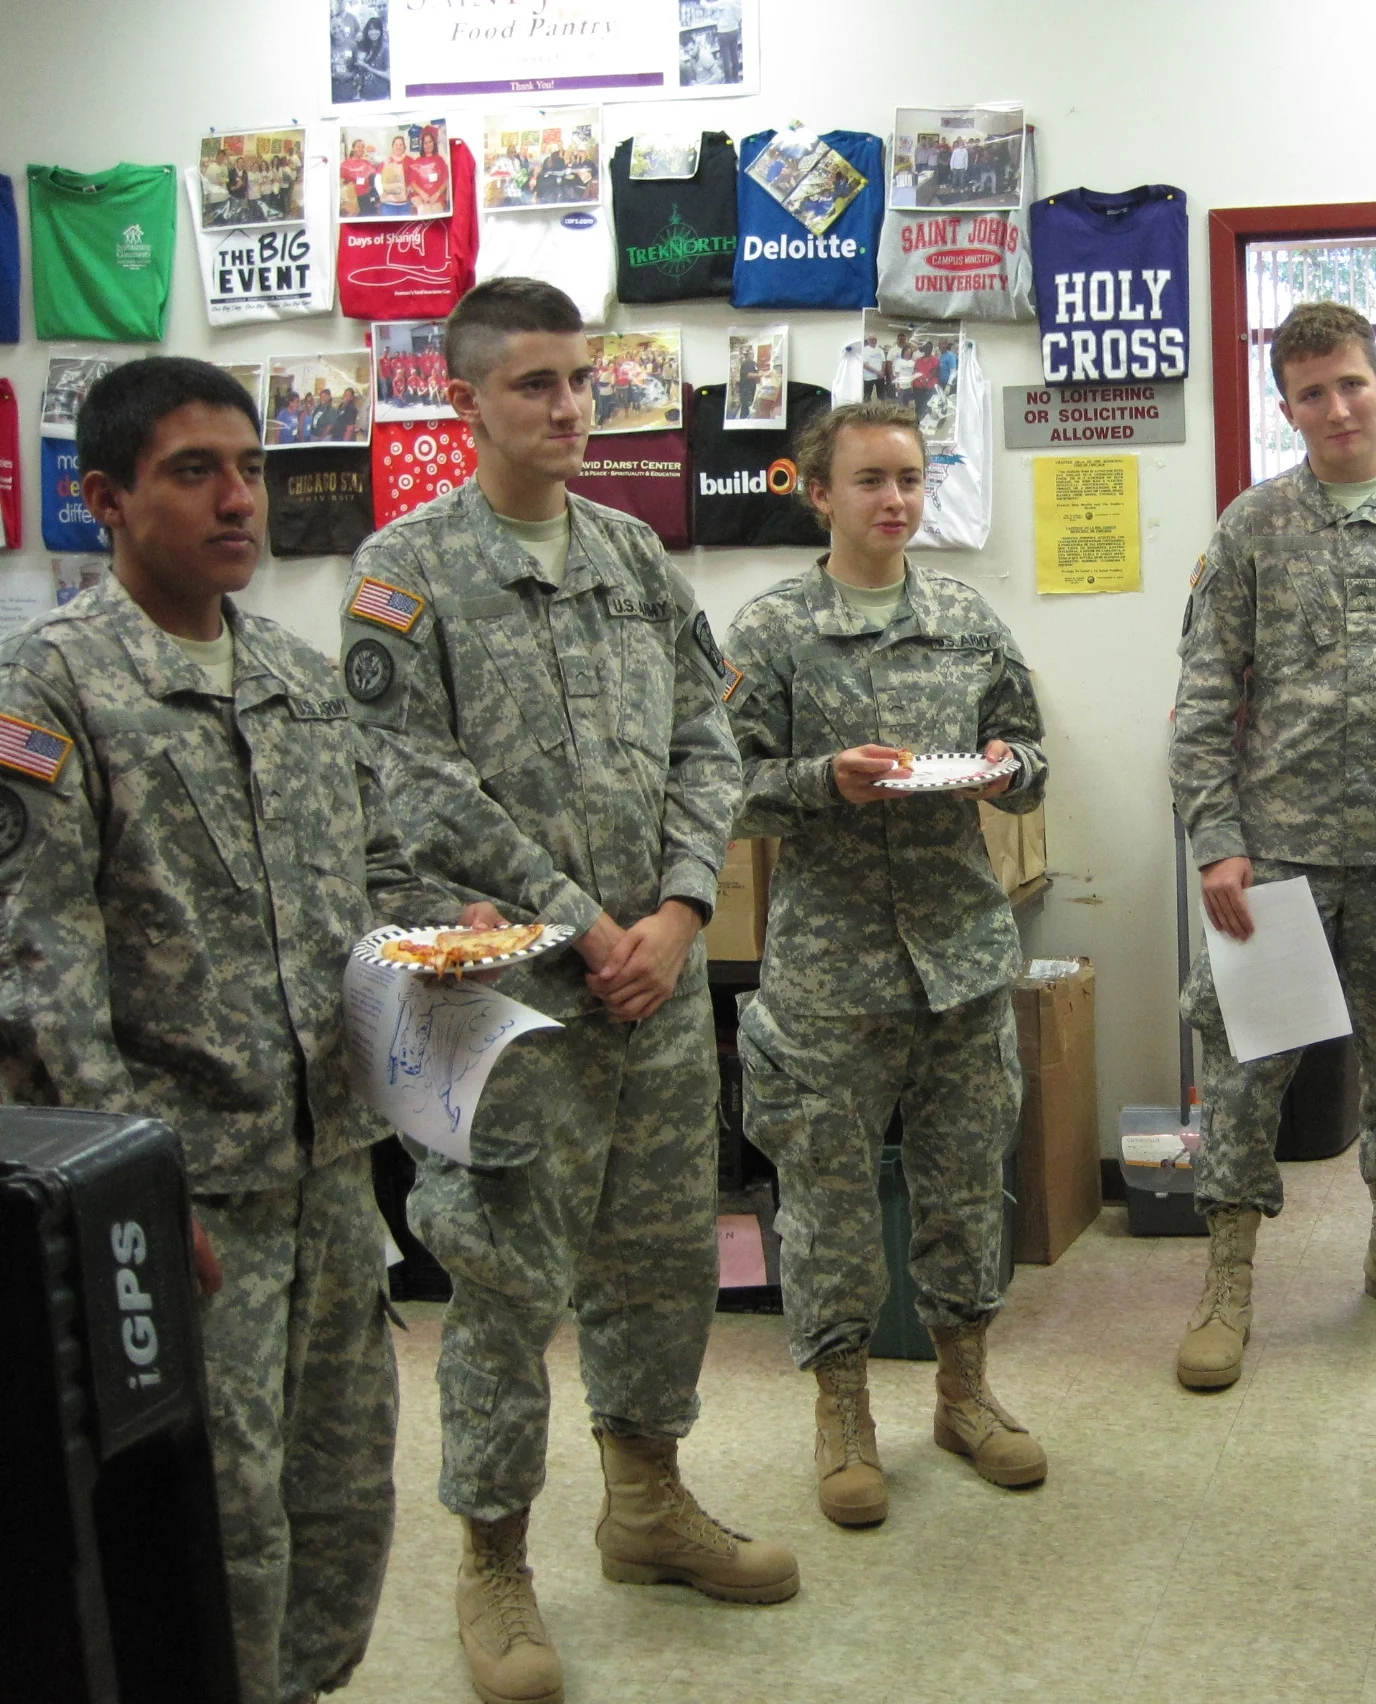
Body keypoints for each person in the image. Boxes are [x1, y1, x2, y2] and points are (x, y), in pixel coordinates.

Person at [339, 277, 795, 1704]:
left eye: (581, 380)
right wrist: (583, 919)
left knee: (664, 1260)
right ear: (464, 400)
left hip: (651, 990)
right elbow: (413, 781)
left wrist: (676, 910)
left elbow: (704, 747)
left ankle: (647, 1501)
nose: (566, 406)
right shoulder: (405, 570)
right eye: (532, 383)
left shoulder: (634, 556)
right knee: (501, 1280)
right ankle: (493, 1561)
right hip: (509, 1003)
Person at [0, 356, 473, 1704]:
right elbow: (41, 968)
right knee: (221, 1510)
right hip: (183, 1188)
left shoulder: (296, 677)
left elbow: (369, 881)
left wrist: (444, 956)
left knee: (341, 1491)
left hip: (328, 1169)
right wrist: (132, 1199)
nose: (237, 500)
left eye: (251, 468)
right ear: (104, 498)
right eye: (193, 472)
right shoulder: (52, 689)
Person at [724, 400, 1049, 1528]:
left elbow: (1029, 747)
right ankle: (844, 1414)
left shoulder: (966, 616)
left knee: (966, 1188)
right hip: (830, 968)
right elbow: (718, 785)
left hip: (959, 952)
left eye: (910, 478)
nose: (894, 500)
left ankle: (964, 1394)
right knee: (828, 1206)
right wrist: (824, 780)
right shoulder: (769, 631)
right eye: (868, 480)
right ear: (818, 493)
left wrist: (1009, 769)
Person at [1169, 300, 1376, 1390]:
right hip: (1278, 860)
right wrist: (1216, 842)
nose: (1336, 406)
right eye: (1312, 392)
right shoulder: (1254, 525)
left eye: (1351, 382)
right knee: (1249, 1072)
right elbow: (1205, 696)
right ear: (1286, 407)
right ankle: (1227, 1281)